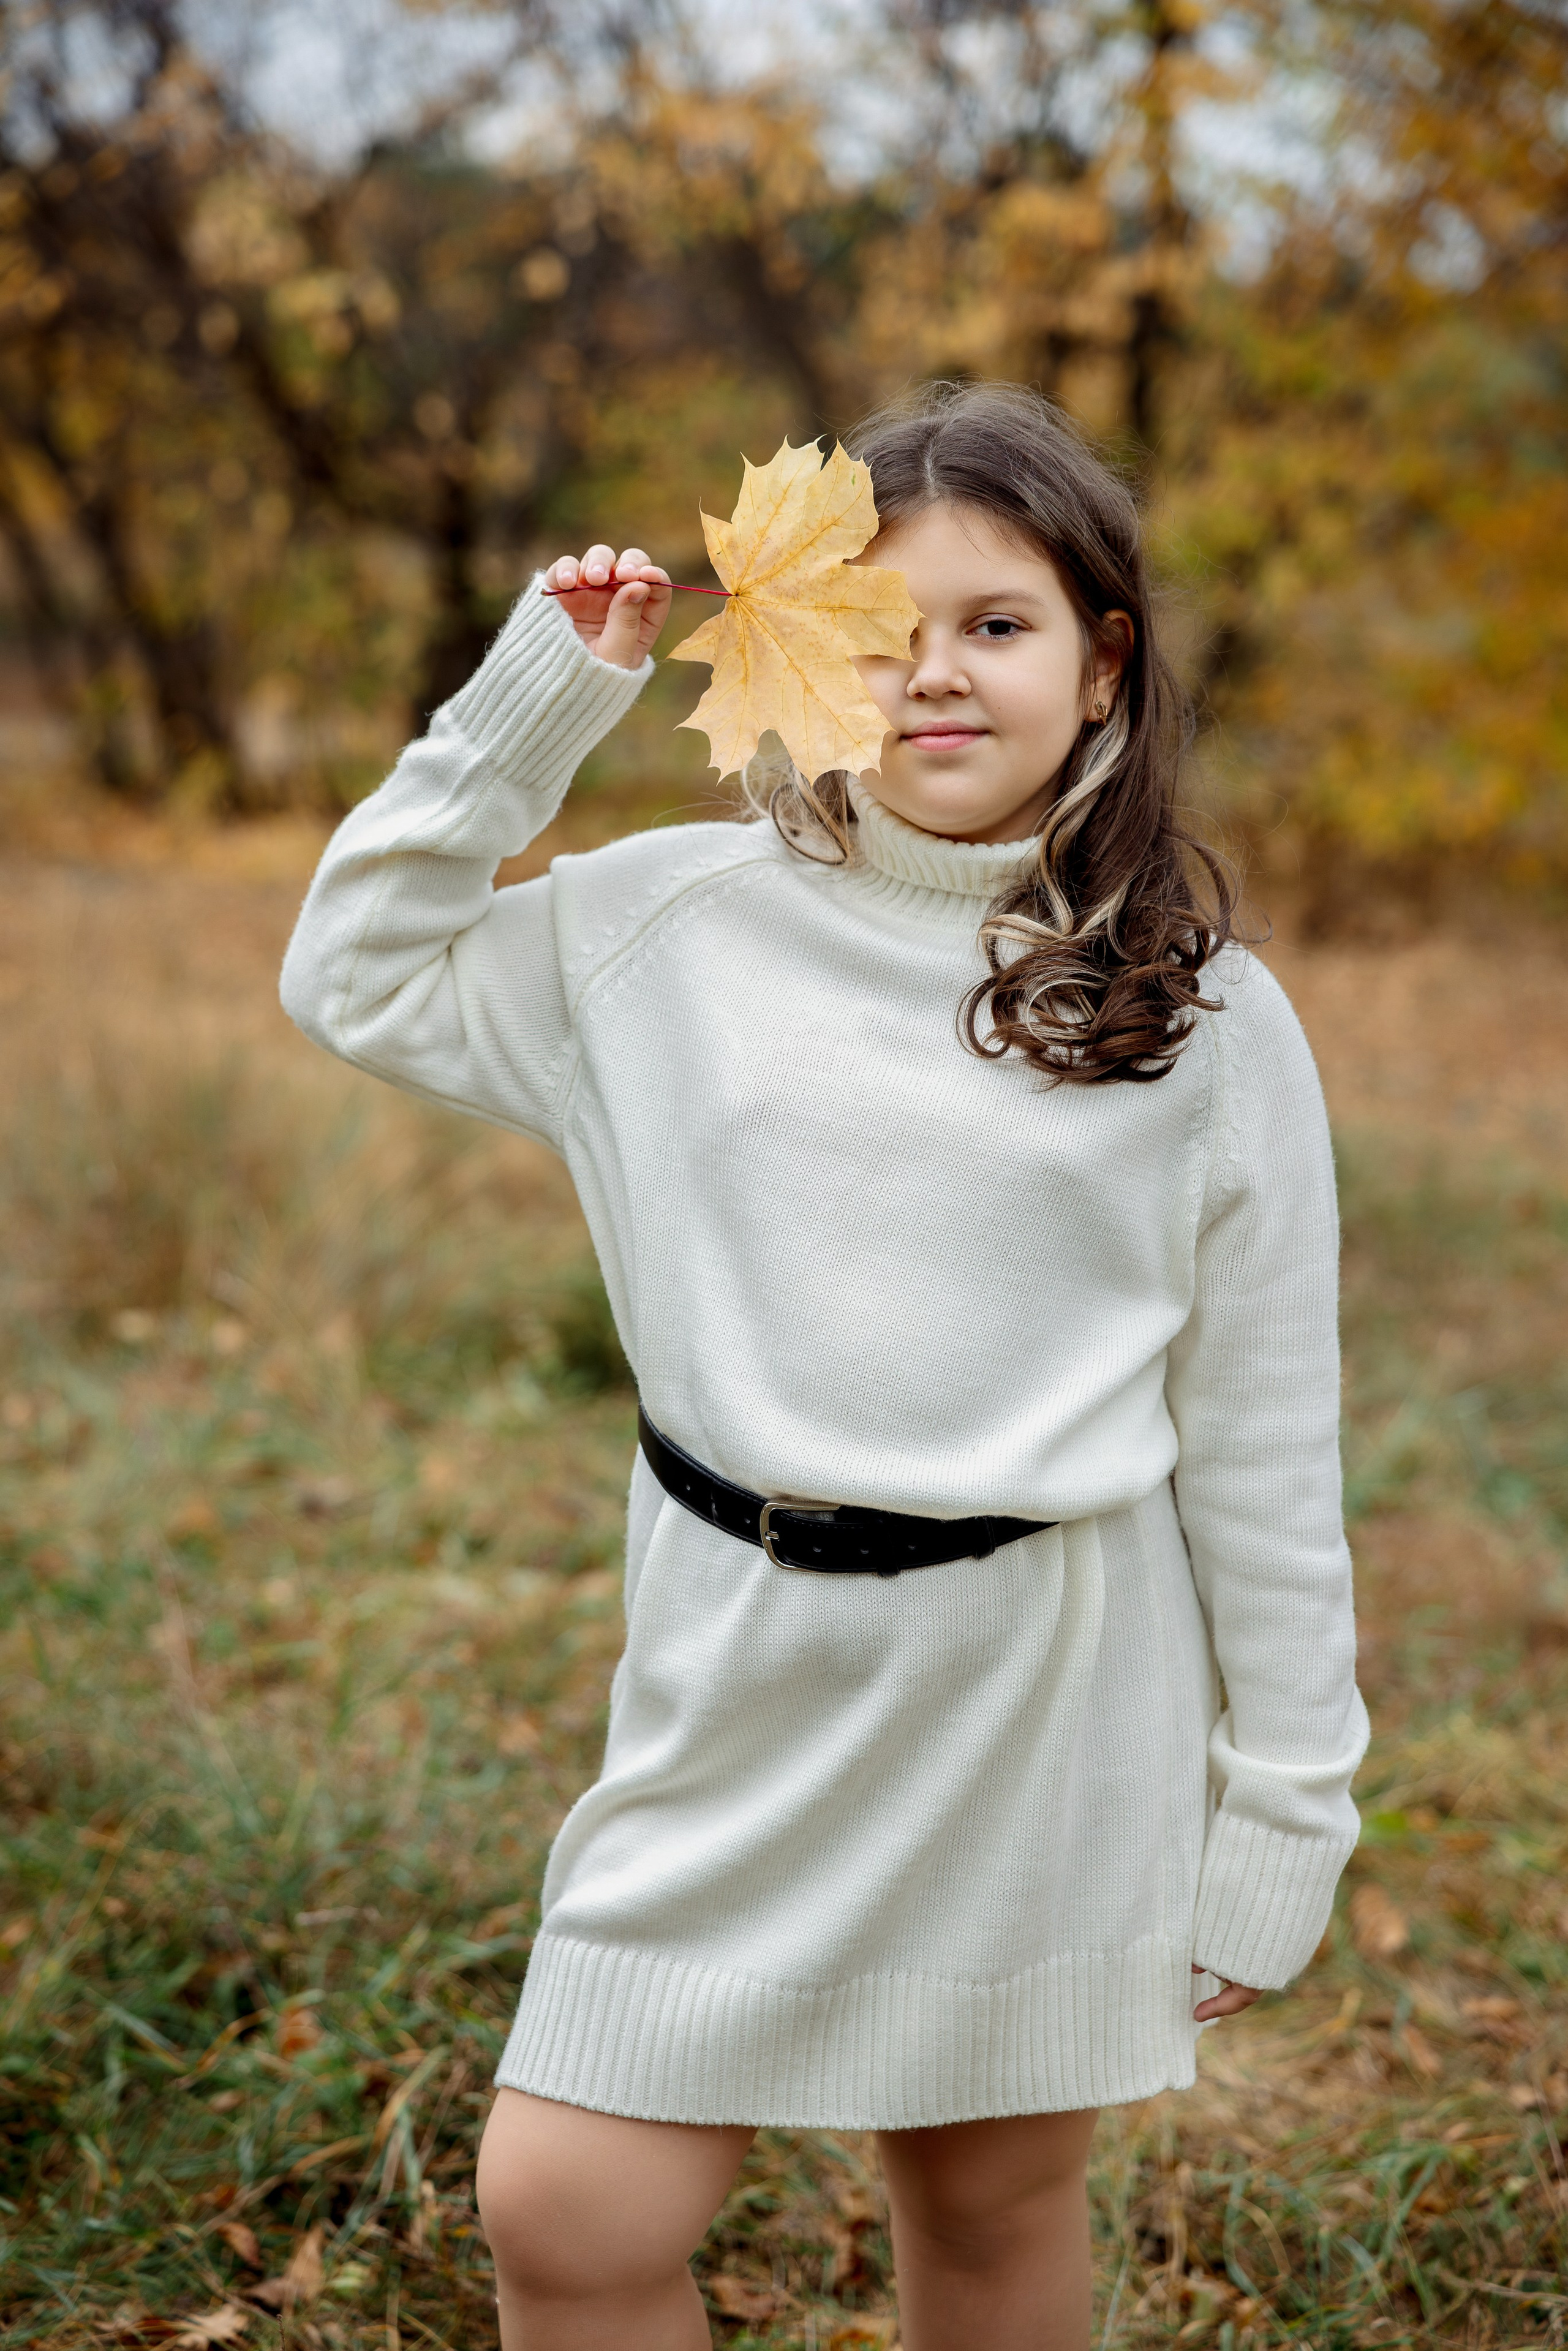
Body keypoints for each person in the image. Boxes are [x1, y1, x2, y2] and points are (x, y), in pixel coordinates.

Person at [280, 381, 1368, 2351]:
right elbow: (355, 969)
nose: (934, 674)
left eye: (998, 623)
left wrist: (1286, 1809)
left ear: (1102, 659)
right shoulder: (669, 926)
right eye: (880, 625)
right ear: (798, 645)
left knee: (985, 2194)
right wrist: (542, 704)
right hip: (741, 1670)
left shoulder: (1204, 1028)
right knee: (568, 2203)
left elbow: (1269, 1448)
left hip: (1045, 1688)